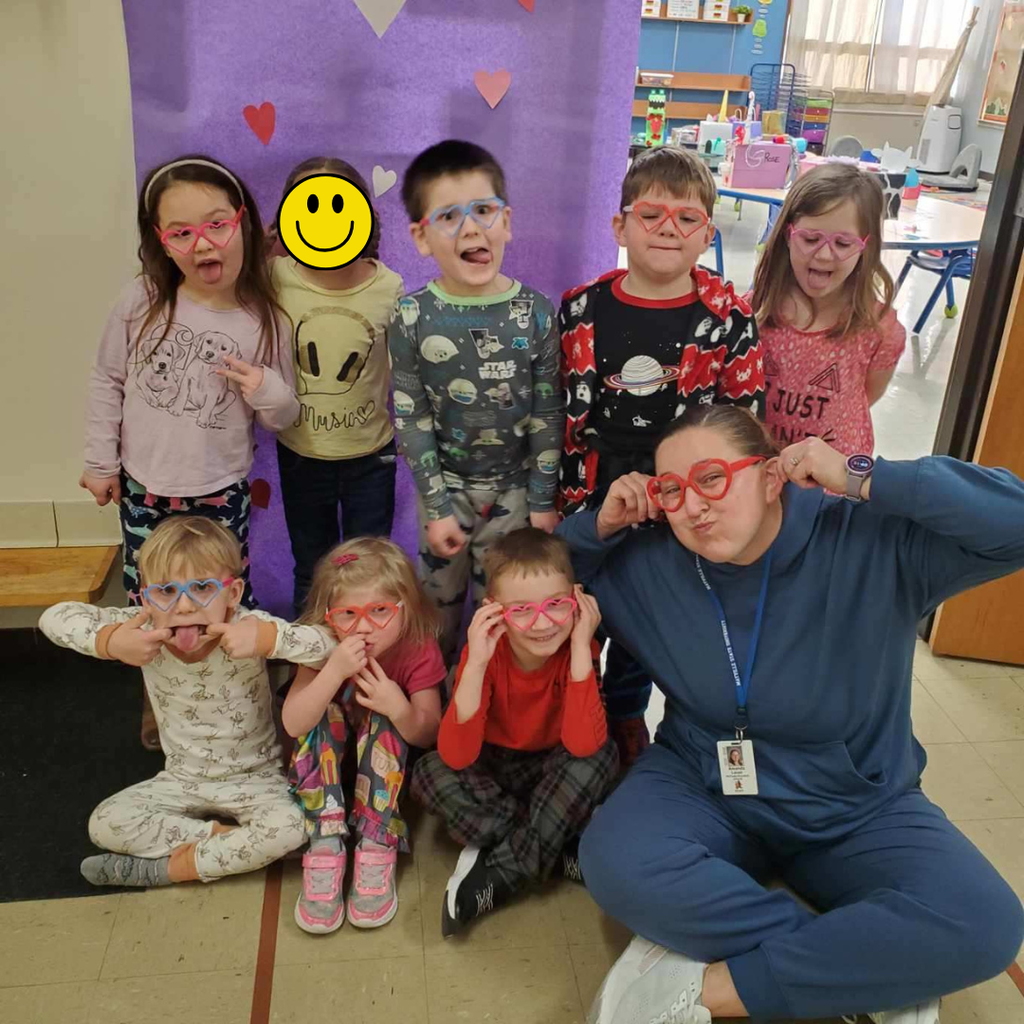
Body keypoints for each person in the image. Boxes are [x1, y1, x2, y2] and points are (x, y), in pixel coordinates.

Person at [557, 404, 1024, 1023]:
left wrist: (863, 474)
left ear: (773, 475)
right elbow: (544, 574)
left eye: (713, 478)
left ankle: (707, 987)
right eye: (672, 490)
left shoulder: (867, 539)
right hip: (706, 783)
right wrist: (600, 523)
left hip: (855, 805)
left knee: (985, 923)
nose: (693, 506)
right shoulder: (651, 560)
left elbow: (1013, 522)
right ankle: (861, 970)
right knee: (613, 860)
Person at [78, 155, 298, 749]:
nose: (203, 243)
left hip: (219, 488)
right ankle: (162, 702)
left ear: (242, 223)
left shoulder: (264, 317)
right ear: (162, 241)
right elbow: (107, 380)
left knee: (221, 596)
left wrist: (265, 388)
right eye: (182, 232)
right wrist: (101, 462)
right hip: (145, 487)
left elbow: (286, 415)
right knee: (156, 601)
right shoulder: (143, 300)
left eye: (216, 224)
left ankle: (243, 697)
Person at [560, 145, 765, 769]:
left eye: (686, 218)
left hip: (682, 496)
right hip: (591, 485)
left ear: (709, 232)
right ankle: (577, 709)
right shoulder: (580, 309)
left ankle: (625, 714)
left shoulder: (728, 320)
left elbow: (743, 419)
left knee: (655, 612)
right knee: (584, 602)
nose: (668, 230)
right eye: (651, 216)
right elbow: (557, 411)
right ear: (620, 226)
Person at [37, 517, 334, 889]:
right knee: (105, 823)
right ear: (145, 598)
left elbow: (328, 646)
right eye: (165, 592)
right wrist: (111, 642)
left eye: (203, 588)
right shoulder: (142, 627)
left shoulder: (247, 624)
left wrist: (269, 640)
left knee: (292, 828)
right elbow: (53, 618)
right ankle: (224, 842)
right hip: (182, 779)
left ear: (234, 592)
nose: (183, 606)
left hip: (257, 778)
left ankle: (167, 871)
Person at [387, 139, 565, 664]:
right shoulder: (411, 317)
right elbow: (411, 416)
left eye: (484, 211)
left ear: (506, 222)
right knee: (437, 611)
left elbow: (548, 411)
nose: (471, 229)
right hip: (446, 493)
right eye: (449, 216)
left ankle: (497, 721)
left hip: (517, 497)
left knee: (506, 620)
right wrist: (437, 507)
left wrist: (541, 500)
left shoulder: (535, 312)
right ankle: (433, 716)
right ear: (421, 236)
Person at [411, 528, 618, 936]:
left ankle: (503, 871)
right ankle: (552, 846)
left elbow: (582, 745)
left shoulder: (579, 647)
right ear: (493, 610)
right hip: (492, 764)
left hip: (553, 763)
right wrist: (475, 665)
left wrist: (581, 646)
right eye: (521, 610)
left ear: (576, 601)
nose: (542, 624)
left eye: (556, 605)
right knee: (429, 772)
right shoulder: (485, 651)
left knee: (601, 756)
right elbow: (456, 756)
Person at [279, 537, 444, 933]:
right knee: (321, 711)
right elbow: (293, 724)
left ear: (406, 609)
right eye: (348, 614)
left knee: (386, 706)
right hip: (327, 776)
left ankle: (375, 838)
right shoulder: (321, 645)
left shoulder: (417, 646)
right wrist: (333, 670)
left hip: (382, 775)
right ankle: (325, 839)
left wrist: (397, 707)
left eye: (380, 611)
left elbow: (430, 732)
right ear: (327, 615)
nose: (364, 627)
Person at [269, 157, 404, 614]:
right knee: (312, 566)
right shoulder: (275, 278)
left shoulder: (389, 287)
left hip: (372, 457)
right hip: (302, 455)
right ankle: (310, 670)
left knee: (371, 570)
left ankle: (369, 671)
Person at [751, 163, 906, 454]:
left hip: (832, 487)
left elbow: (865, 396)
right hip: (763, 475)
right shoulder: (752, 313)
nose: (823, 255)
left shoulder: (880, 328)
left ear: (865, 246)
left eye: (843, 243)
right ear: (787, 234)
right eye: (810, 239)